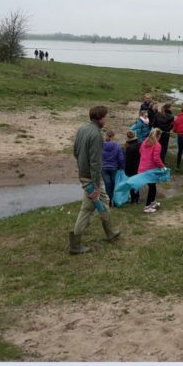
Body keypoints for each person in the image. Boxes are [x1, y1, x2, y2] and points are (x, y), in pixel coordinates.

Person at [69, 105, 119, 254]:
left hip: (85, 174)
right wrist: (96, 185)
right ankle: (75, 246)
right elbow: (96, 163)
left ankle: (110, 232)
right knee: (87, 210)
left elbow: (75, 151)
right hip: (91, 178)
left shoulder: (82, 128)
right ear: (100, 118)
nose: (106, 119)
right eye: (106, 116)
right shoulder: (96, 135)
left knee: (103, 201)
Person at [138, 128, 165, 213]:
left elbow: (140, 151)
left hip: (142, 168)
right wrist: (162, 166)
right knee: (152, 187)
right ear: (158, 136)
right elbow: (156, 158)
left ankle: (153, 203)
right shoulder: (157, 145)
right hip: (150, 169)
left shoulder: (145, 141)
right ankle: (147, 207)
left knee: (152, 186)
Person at [101, 128, 124, 202]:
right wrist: (122, 167)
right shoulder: (117, 146)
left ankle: (108, 201)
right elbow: (121, 158)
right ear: (113, 136)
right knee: (114, 184)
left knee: (107, 184)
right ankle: (114, 200)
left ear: (106, 136)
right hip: (114, 167)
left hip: (104, 167)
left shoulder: (101, 145)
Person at [122, 129, 141, 205]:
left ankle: (133, 199)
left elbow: (127, 160)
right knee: (137, 183)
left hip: (130, 168)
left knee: (131, 184)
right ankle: (137, 198)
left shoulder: (128, 148)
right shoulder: (139, 145)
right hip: (138, 166)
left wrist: (126, 170)